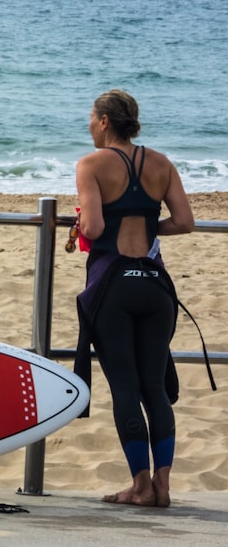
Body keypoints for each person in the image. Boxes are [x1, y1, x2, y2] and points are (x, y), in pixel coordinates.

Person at [73, 89, 195, 508]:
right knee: (154, 390)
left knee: (125, 389)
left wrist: (90, 221)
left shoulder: (91, 164)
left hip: (114, 286)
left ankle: (139, 486)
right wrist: (146, 227)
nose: (89, 124)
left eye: (91, 117)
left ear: (105, 121)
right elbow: (184, 221)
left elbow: (90, 229)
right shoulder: (160, 164)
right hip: (155, 286)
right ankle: (162, 486)